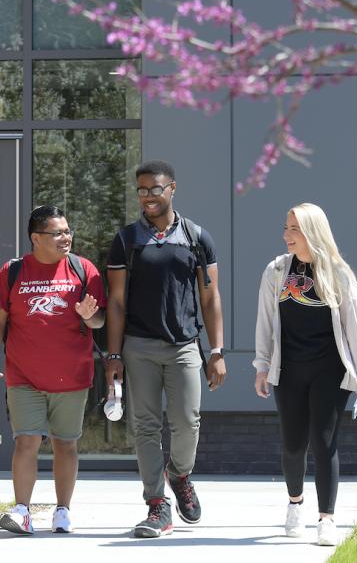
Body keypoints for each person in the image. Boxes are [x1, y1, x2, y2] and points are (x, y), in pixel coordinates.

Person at [106, 159, 226, 538]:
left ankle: (180, 475)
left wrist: (217, 351)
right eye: (141, 190)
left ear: (172, 188)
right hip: (139, 347)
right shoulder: (127, 240)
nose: (147, 197)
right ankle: (157, 505)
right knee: (145, 427)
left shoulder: (196, 237)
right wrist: (113, 356)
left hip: (185, 347)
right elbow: (117, 303)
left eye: (155, 189)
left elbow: (210, 298)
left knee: (188, 423)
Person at [0, 205, 106, 535]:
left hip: (72, 376)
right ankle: (22, 510)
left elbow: (100, 321)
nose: (66, 237)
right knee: (26, 441)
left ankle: (62, 511)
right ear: (36, 238)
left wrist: (87, 315)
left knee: (65, 444)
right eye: (58, 232)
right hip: (24, 375)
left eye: (68, 231)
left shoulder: (84, 270)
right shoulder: (13, 271)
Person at [253, 202, 357, 546]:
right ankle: (294, 503)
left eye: (294, 229)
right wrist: (261, 365)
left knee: (324, 443)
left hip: (330, 371)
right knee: (293, 446)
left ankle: (327, 519)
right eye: (286, 227)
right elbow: (264, 322)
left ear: (311, 232)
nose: (286, 235)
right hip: (288, 369)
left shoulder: (338, 273)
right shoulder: (276, 271)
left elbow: (354, 328)